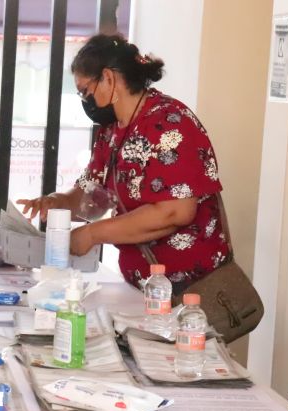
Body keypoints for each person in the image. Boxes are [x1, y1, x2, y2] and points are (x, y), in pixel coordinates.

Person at [18, 33, 230, 293]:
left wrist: (93, 234)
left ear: (108, 78)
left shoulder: (169, 123)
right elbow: (92, 196)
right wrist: (56, 203)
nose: (86, 102)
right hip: (143, 287)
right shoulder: (112, 131)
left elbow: (175, 211)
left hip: (190, 289)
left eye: (85, 91)